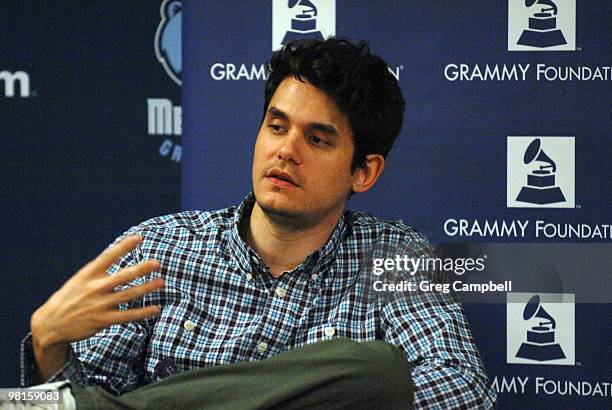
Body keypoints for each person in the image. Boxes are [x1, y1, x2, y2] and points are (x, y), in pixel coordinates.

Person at [12, 38, 496, 409]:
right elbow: (79, 401)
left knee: (378, 371)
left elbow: (463, 388)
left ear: (363, 172)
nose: (285, 150)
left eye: (318, 139)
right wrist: (50, 347)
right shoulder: (160, 247)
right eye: (277, 125)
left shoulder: (394, 256)